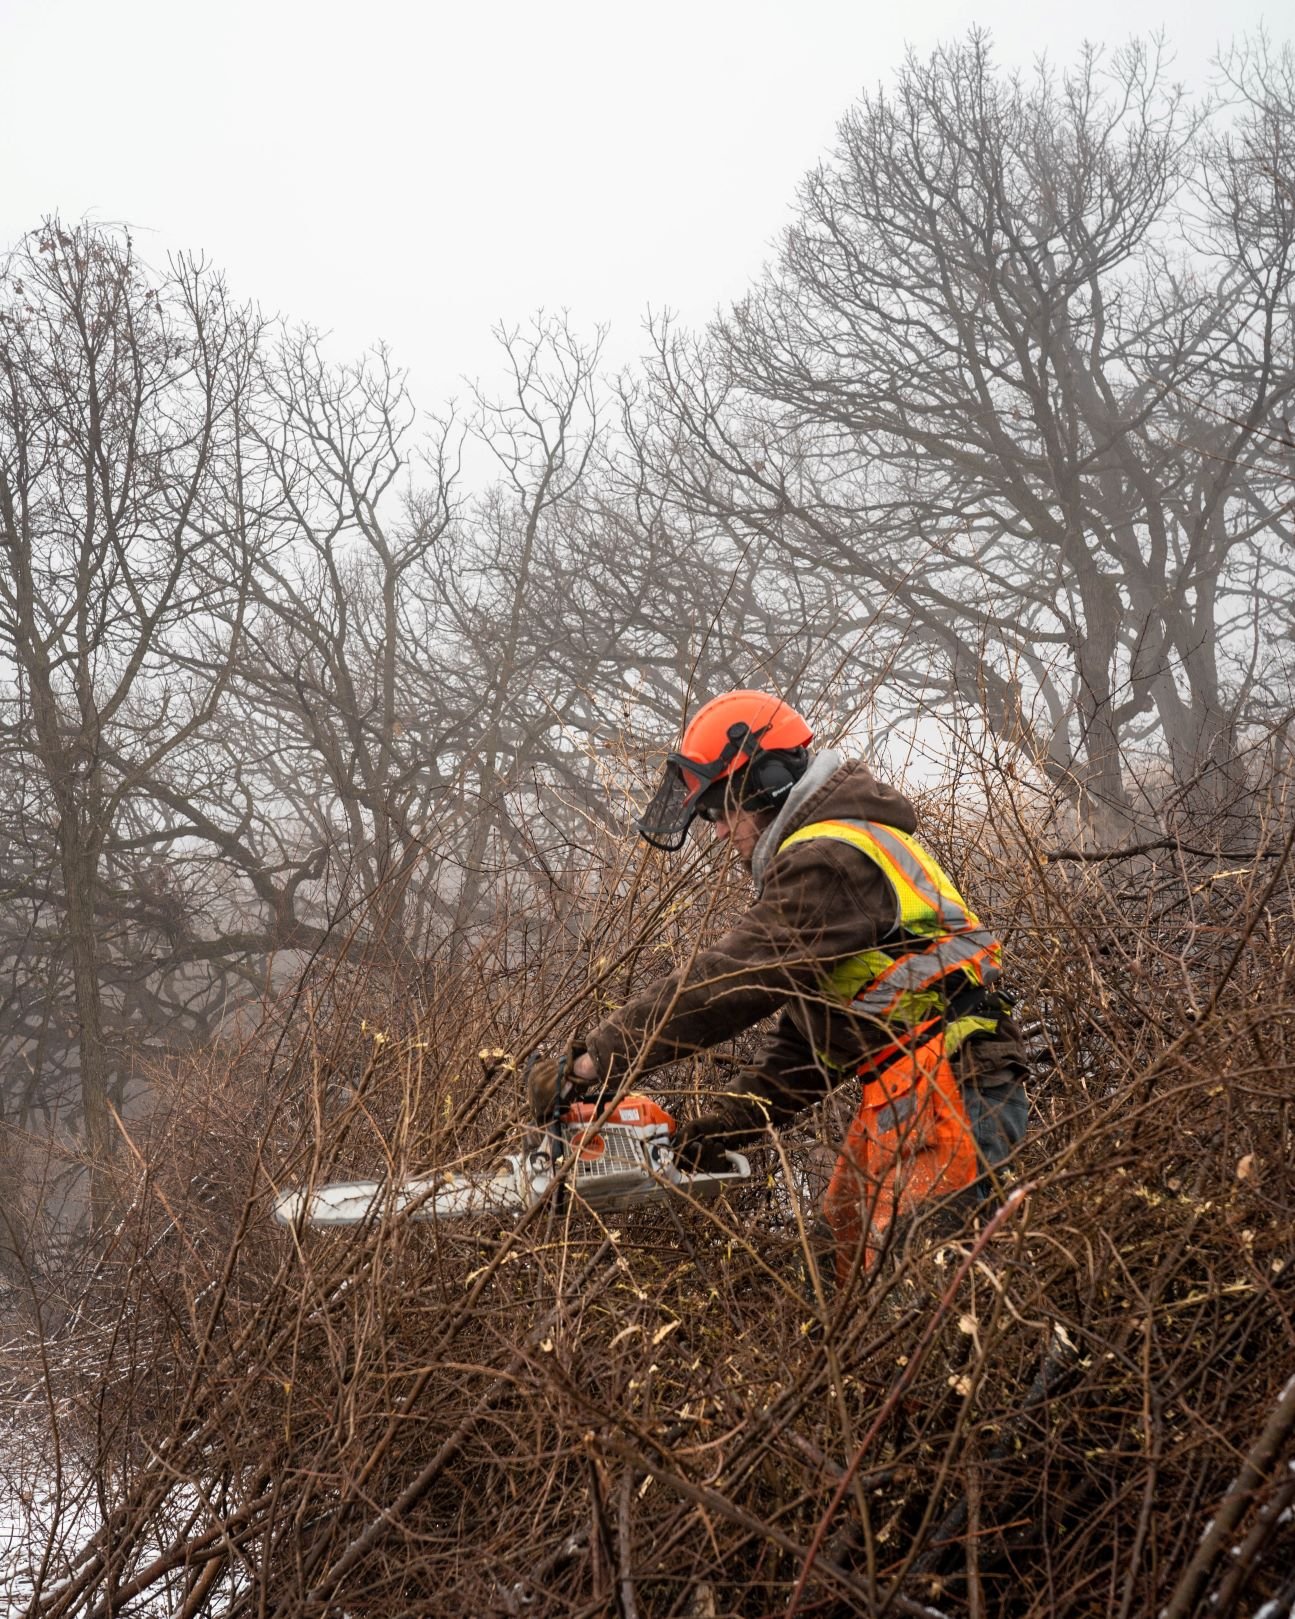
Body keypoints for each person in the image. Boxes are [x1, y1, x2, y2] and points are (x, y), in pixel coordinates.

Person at [526, 690, 1027, 1284]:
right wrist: (724, 1125)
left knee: (921, 1296)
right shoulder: (830, 855)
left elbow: (736, 978)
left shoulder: (832, 857)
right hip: (904, 1086)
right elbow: (810, 1049)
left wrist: (595, 1060)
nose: (718, 834)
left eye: (719, 812)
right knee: (844, 1272)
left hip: (948, 1082)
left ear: (763, 782)